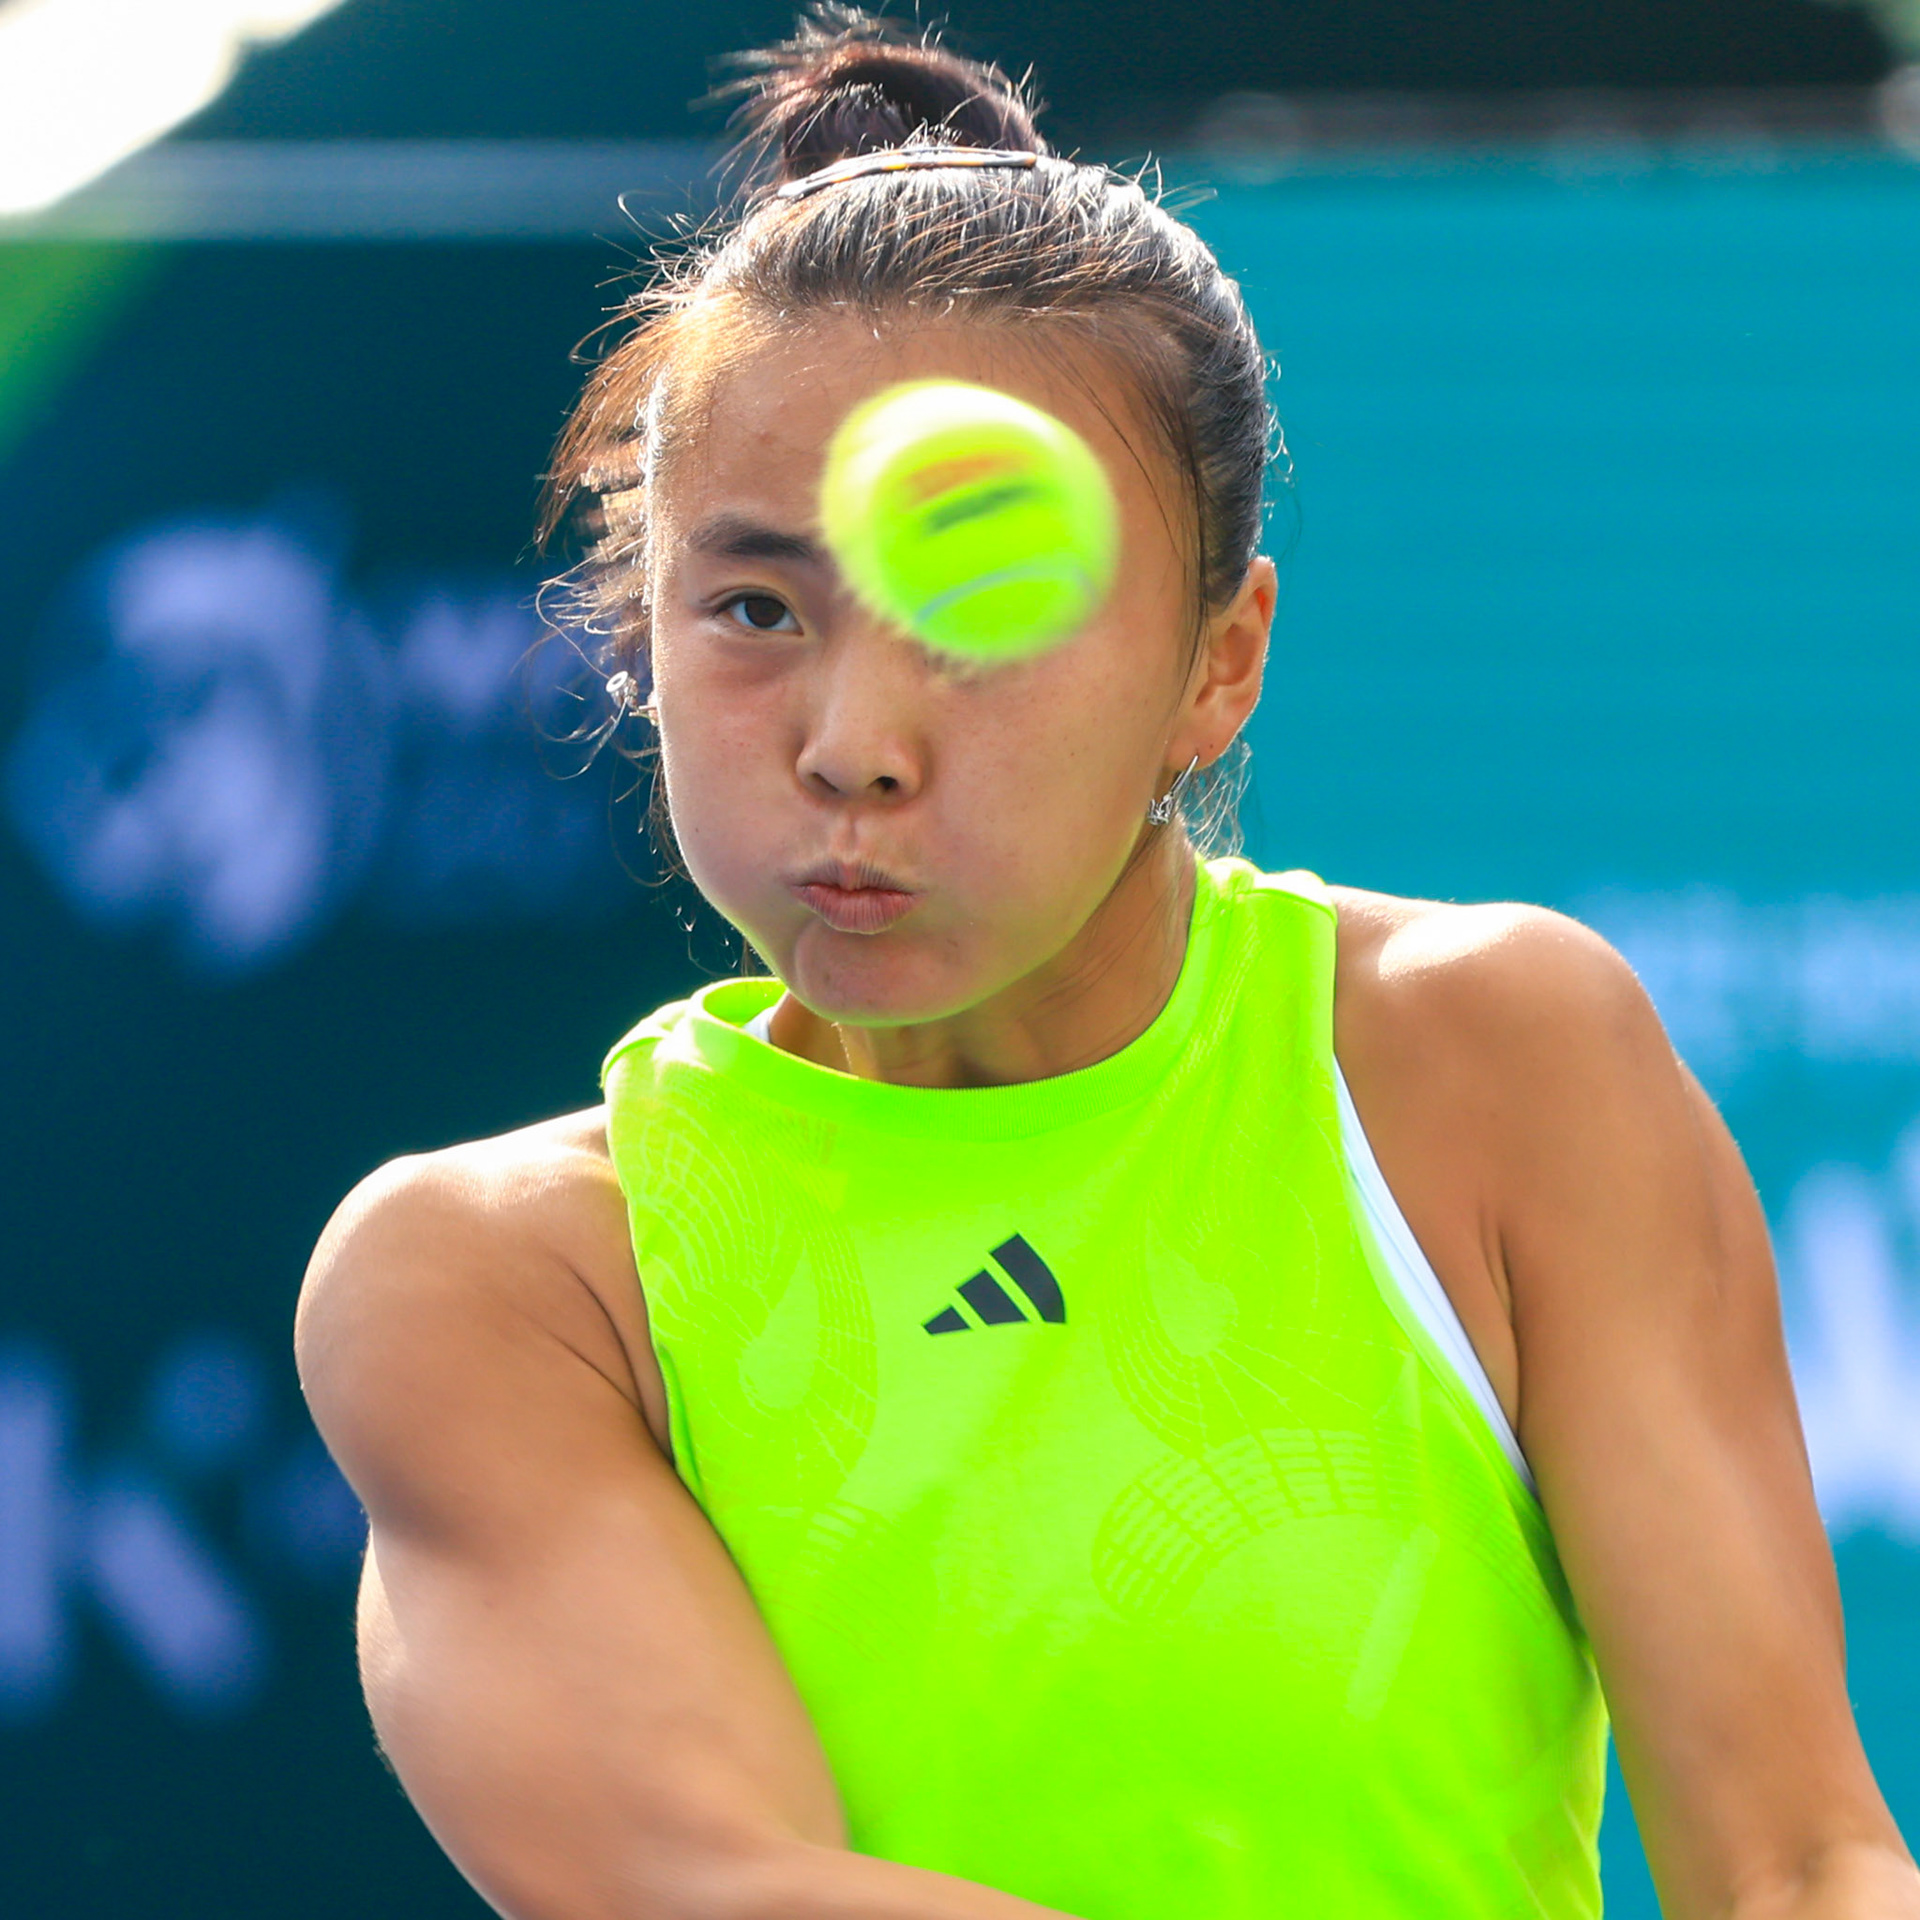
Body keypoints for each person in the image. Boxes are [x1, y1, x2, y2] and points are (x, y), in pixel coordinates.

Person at [295, 11, 1919, 1917]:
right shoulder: (503, 1281)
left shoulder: (1491, 1065)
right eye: (751, 608)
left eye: (987, 605)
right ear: (640, 639)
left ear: (1216, 662)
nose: (853, 740)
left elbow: (1800, 1863)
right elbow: (721, 1887)